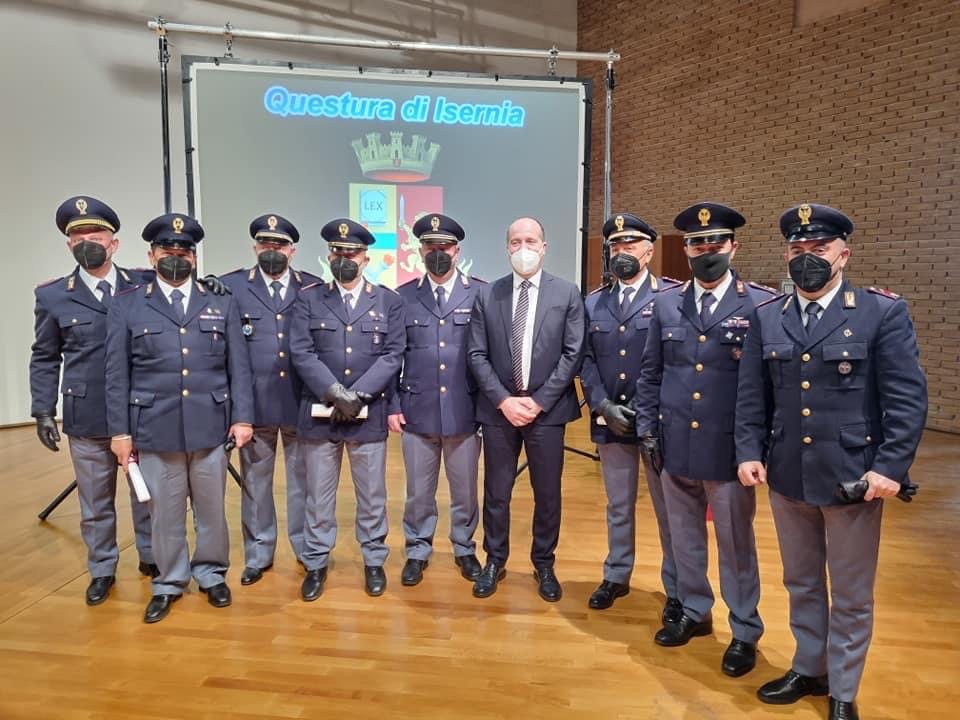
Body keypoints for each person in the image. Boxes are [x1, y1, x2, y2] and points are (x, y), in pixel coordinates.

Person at [736, 203, 927, 720]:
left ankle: (843, 689)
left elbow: (906, 399)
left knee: (850, 591)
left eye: (818, 248)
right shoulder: (766, 316)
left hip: (853, 478)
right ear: (785, 254)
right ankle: (809, 666)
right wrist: (749, 452)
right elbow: (753, 398)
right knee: (799, 581)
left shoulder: (879, 312)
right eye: (798, 249)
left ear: (843, 253)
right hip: (786, 475)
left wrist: (889, 466)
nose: (807, 258)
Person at [635, 201, 777, 677]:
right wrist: (647, 429)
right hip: (674, 443)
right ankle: (694, 611)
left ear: (733, 246)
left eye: (716, 242)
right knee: (683, 538)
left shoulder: (757, 303)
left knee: (736, 544)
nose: (706, 250)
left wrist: (754, 449)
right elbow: (652, 372)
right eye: (697, 243)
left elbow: (765, 387)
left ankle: (744, 631)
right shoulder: (667, 303)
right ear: (686, 249)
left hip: (729, 450)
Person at [105, 212, 254, 623]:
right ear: (151, 256)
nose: (177, 257)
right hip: (154, 426)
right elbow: (117, 374)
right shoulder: (129, 304)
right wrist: (120, 432)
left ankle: (211, 574)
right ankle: (169, 581)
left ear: (194, 256)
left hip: (210, 423)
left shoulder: (220, 301)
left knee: (211, 510)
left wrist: (243, 419)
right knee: (165, 513)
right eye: (167, 251)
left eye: (184, 251)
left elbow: (237, 367)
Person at [30, 196, 157, 605]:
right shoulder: (53, 296)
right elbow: (45, 356)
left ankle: (151, 556)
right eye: (78, 235)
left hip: (141, 411)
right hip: (87, 414)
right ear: (69, 245)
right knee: (96, 502)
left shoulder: (143, 284)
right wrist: (42, 409)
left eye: (96, 234)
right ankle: (102, 568)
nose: (88, 241)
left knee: (147, 493)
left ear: (114, 243)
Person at [467, 217, 585, 601]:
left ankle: (544, 562)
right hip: (499, 411)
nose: (523, 248)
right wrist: (504, 399)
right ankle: (494, 559)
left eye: (530, 240)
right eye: (515, 241)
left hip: (546, 412)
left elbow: (572, 354)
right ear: (507, 248)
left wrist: (537, 401)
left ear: (544, 246)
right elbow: (476, 353)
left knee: (547, 492)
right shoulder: (488, 295)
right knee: (496, 491)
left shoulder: (567, 294)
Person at [289, 218, 404, 600]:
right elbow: (302, 352)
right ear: (328, 256)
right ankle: (317, 561)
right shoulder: (308, 299)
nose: (344, 259)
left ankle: (373, 560)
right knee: (318, 497)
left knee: (372, 495)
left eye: (351, 253)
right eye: (337, 253)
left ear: (365, 258)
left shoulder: (388, 301)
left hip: (367, 415)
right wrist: (335, 391)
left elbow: (392, 354)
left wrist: (359, 395)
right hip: (320, 413)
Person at [580, 213, 681, 615]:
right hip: (611, 419)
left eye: (630, 245)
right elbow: (584, 359)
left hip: (657, 423)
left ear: (649, 251)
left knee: (669, 508)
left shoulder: (670, 298)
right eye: (615, 246)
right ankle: (617, 574)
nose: (622, 252)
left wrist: (648, 407)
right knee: (617, 503)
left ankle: (677, 587)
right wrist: (601, 403)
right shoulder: (593, 302)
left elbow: (676, 361)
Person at [221, 214, 322, 585]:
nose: (272, 251)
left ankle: (306, 550)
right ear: (255, 247)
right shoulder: (231, 287)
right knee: (256, 484)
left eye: (279, 245)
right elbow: (230, 356)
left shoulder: (313, 288)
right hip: (256, 406)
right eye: (266, 244)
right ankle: (259, 553)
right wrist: (239, 413)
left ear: (292, 251)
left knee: (304, 484)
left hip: (300, 404)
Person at [388, 214, 484, 586]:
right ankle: (417, 548)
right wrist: (394, 405)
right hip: (417, 410)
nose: (437, 253)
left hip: (463, 410)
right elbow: (393, 356)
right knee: (418, 493)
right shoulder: (404, 296)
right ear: (420, 250)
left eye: (444, 247)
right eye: (430, 247)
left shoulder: (480, 293)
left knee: (465, 491)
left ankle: (464, 547)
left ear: (457, 251)